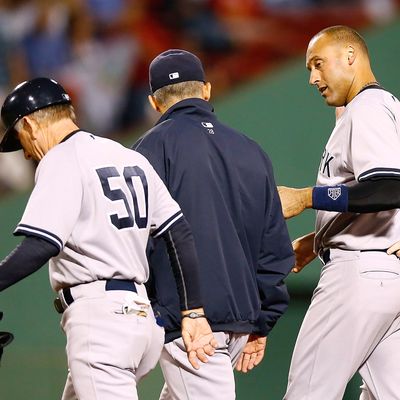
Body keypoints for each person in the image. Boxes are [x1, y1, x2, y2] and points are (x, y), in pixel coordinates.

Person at [0, 77, 218, 399]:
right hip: (142, 321)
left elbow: (41, 245)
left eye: (20, 139)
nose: (27, 154)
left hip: (100, 323)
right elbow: (178, 233)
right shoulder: (128, 157)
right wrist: (193, 309)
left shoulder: (60, 159)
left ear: (30, 124)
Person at [132, 49, 294, 400]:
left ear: (154, 102)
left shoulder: (147, 150)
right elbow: (275, 247)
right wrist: (261, 319)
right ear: (206, 90)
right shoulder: (251, 149)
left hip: (189, 323)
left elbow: (138, 241)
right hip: (238, 321)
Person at [278, 25, 400, 399]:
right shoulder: (387, 107)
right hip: (385, 276)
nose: (313, 78)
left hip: (359, 275)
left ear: (351, 56)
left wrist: (307, 197)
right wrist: (319, 240)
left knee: (308, 393)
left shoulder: (367, 108)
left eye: (318, 64)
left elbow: (387, 186)